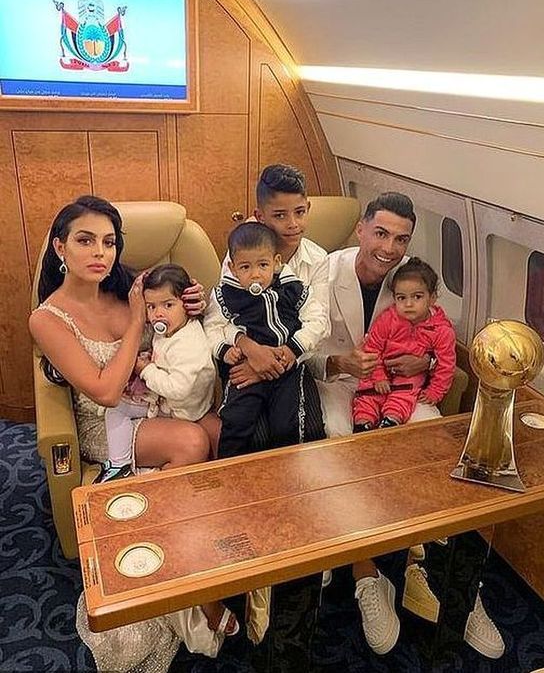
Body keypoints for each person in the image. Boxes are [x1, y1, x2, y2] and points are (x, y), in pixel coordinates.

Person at [28, 196, 234, 671]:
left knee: (226, 429)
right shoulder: (48, 317)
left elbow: (178, 331)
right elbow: (104, 391)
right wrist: (138, 321)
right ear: (60, 247)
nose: (100, 252)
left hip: (160, 401)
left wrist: (192, 309)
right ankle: (181, 579)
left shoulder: (131, 286)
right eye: (85, 240)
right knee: (190, 443)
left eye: (109, 242)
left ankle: (206, 548)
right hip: (108, 424)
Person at [308, 192, 504, 658]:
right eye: (381, 233)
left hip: (401, 386)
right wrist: (339, 361)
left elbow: (438, 333)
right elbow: (301, 349)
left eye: (401, 238)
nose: (389, 248)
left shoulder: (411, 275)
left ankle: (432, 566)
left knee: (429, 440)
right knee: (340, 445)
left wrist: (430, 358)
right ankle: (366, 572)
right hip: (338, 383)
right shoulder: (324, 270)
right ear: (360, 229)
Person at [204, 163, 329, 391]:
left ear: (308, 208)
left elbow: (321, 326)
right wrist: (251, 352)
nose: (293, 224)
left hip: (294, 361)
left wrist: (273, 364)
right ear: (260, 216)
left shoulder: (318, 259)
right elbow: (226, 318)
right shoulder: (242, 255)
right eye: (280, 215)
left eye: (300, 212)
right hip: (244, 361)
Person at [208, 222, 327, 457]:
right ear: (232, 268)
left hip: (288, 367)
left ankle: (297, 476)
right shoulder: (224, 294)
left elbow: (318, 321)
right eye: (245, 267)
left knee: (291, 423)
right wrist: (225, 350)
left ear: (276, 261)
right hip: (245, 369)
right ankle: (231, 473)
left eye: (263, 265)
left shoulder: (294, 289)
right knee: (236, 421)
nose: (255, 274)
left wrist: (294, 349)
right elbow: (213, 327)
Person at [99, 264, 218, 481]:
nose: (158, 314)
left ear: (187, 305)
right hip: (174, 402)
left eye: (168, 305)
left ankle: (118, 465)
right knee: (114, 408)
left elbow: (178, 388)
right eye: (151, 307)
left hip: (177, 407)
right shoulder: (173, 329)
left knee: (114, 410)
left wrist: (146, 369)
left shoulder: (188, 343)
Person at [352, 257, 456, 431]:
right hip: (380, 368)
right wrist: (379, 376)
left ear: (432, 298)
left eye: (417, 297)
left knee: (405, 393)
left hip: (409, 377)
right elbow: (372, 348)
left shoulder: (442, 330)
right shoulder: (387, 319)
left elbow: (446, 365)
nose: (408, 304)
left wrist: (435, 392)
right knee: (368, 393)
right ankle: (363, 422)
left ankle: (391, 419)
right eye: (402, 298)